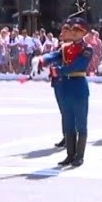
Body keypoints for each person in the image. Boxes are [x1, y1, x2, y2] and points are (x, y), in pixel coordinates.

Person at [40, 18, 94, 167]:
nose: (74, 33)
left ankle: (80, 155)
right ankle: (70, 154)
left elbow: (78, 65)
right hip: (65, 87)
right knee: (68, 121)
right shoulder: (64, 48)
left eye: (78, 30)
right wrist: (43, 59)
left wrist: (59, 70)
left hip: (79, 86)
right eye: (73, 30)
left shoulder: (87, 49)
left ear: (84, 33)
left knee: (81, 123)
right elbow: (54, 56)